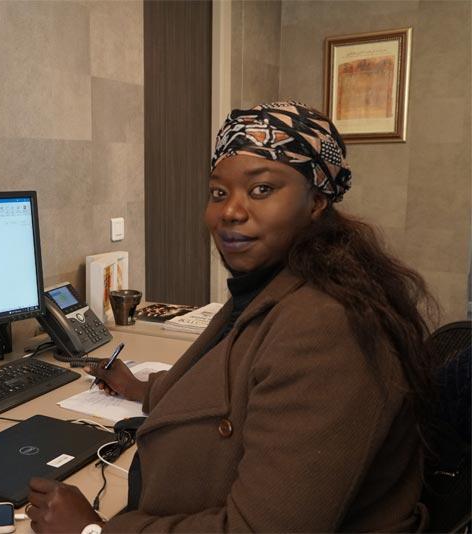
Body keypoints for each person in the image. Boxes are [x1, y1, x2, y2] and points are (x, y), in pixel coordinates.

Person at [26, 102, 438, 533]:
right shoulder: (276, 284)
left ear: (316, 200)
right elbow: (237, 381)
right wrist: (142, 389)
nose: (230, 212)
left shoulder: (329, 327)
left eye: (261, 190)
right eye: (219, 193)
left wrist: (93, 532)